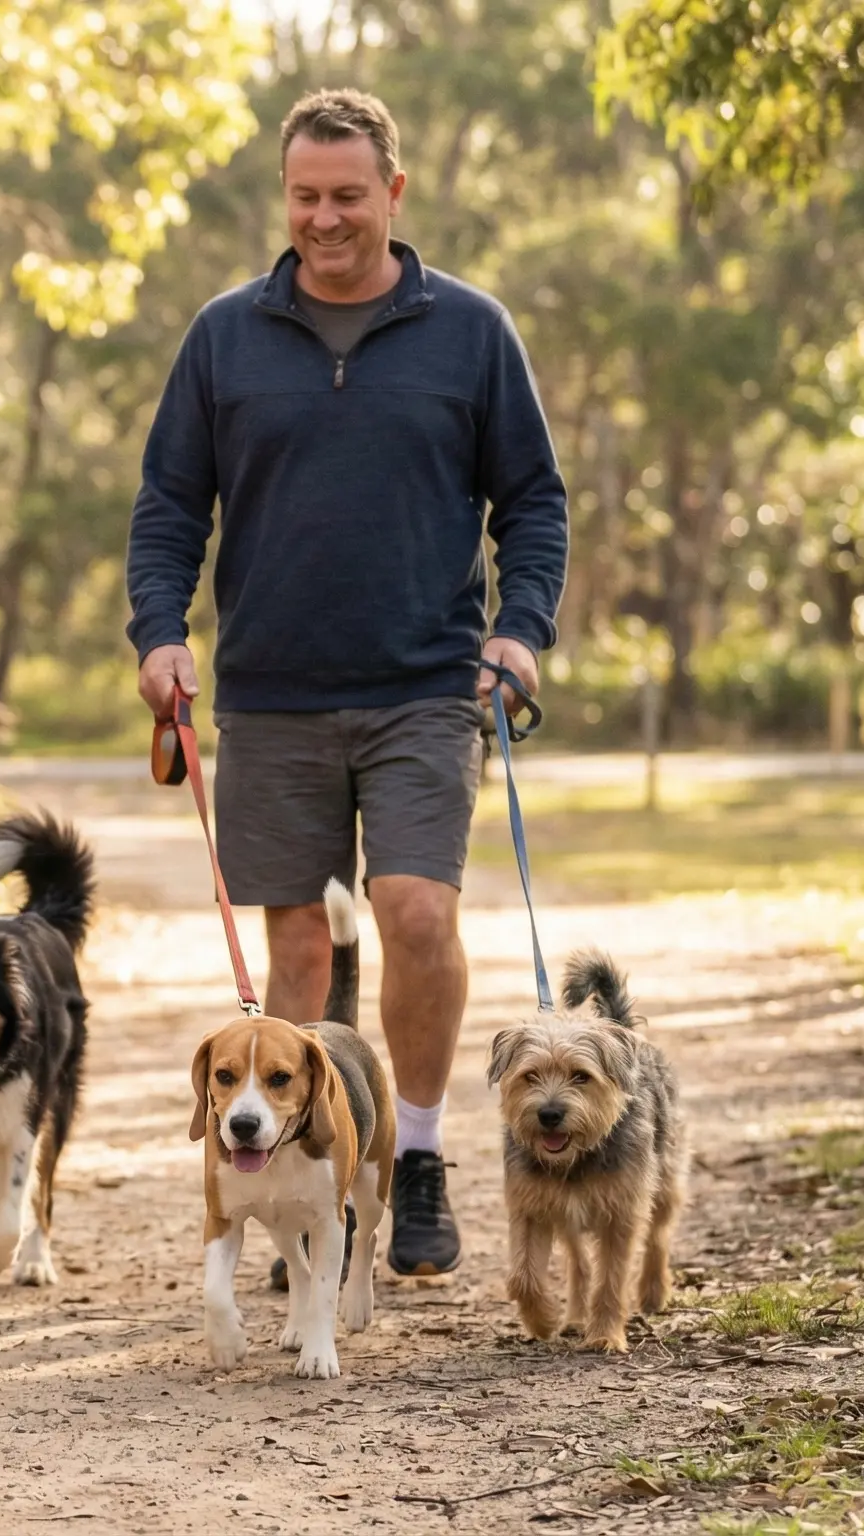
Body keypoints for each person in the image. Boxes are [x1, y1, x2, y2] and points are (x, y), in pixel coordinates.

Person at [124, 90, 569, 1280]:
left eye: (347, 196)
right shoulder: (223, 337)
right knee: (301, 957)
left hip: (428, 681)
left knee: (417, 913)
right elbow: (169, 506)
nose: (325, 218)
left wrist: (519, 633)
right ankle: (314, 1186)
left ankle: (412, 1154)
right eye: (305, 197)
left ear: (393, 194)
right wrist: (157, 633)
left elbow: (533, 503)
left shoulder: (470, 332)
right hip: (268, 694)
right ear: (286, 198)